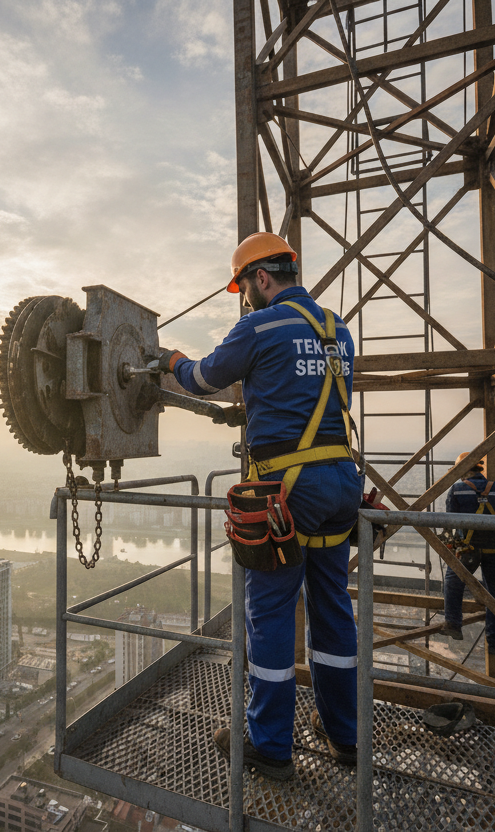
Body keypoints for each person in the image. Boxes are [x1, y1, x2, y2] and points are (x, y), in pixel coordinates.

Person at [153, 231, 362, 781]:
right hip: (342, 484)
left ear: (260, 279)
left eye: (244, 287)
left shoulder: (260, 324)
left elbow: (202, 379)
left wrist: (169, 358)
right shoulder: (338, 329)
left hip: (289, 493)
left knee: (268, 613)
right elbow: (312, 391)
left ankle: (269, 746)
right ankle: (345, 735)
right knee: (333, 607)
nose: (245, 297)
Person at [441, 452, 495, 655]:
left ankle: (453, 623)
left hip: (468, 549)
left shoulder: (457, 490)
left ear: (463, 470)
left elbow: (451, 520)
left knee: (454, 580)